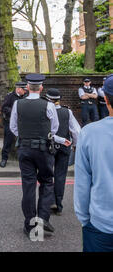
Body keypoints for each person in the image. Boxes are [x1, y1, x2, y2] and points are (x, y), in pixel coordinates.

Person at [9, 74, 59, 239]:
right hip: (43, 149)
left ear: (27, 87)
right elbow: (55, 128)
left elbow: (13, 127)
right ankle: (43, 219)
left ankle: (30, 223)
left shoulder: (18, 104)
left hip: (24, 149)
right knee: (46, 182)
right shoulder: (48, 105)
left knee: (28, 186)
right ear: (41, 88)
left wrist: (25, 137)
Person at [74, 74, 113, 252]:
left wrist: (85, 220)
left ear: (106, 98)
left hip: (101, 226)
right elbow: (84, 96)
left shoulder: (89, 133)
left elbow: (82, 183)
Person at [45, 88, 81, 216]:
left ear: (48, 99)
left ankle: (50, 202)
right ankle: (58, 205)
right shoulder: (67, 112)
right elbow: (76, 131)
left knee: (48, 175)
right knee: (60, 176)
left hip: (48, 147)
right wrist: (76, 145)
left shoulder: (45, 111)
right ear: (59, 99)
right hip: (64, 147)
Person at [0, 82, 27, 167]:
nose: (25, 91)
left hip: (22, 123)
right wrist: (14, 111)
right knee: (8, 141)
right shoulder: (10, 96)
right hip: (10, 122)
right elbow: (4, 108)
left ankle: (23, 159)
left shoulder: (26, 96)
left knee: (24, 141)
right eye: (24, 90)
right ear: (18, 89)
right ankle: (4, 159)